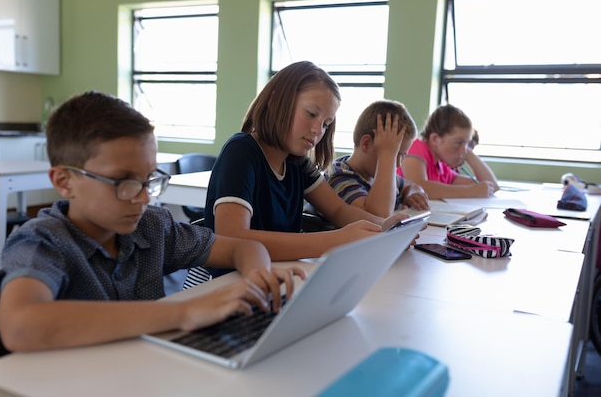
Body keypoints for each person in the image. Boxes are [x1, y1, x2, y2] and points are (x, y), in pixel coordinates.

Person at [0, 91, 305, 352]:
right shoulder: (43, 241)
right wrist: (183, 312)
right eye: (123, 182)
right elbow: (20, 325)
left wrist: (257, 278)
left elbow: (244, 247)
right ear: (64, 181)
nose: (144, 198)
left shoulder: (151, 227)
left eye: (149, 180)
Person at [204, 61, 413, 265]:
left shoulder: (298, 163)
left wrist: (386, 228)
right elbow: (232, 238)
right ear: (276, 101)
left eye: (326, 124)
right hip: (232, 285)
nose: (318, 130)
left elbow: (340, 211)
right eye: (311, 114)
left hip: (278, 276)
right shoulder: (241, 151)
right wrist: (334, 240)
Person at [323, 100, 429, 218]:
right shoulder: (340, 179)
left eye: (402, 155)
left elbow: (411, 185)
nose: (398, 164)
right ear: (367, 143)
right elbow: (378, 216)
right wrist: (387, 156)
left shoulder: (372, 174)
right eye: (395, 155)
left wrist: (413, 193)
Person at [398, 104, 499, 199]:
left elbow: (491, 187)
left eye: (467, 144)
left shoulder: (442, 167)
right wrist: (468, 191)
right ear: (435, 139)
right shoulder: (416, 147)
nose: (464, 151)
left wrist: (469, 154)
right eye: (459, 143)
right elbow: (419, 187)